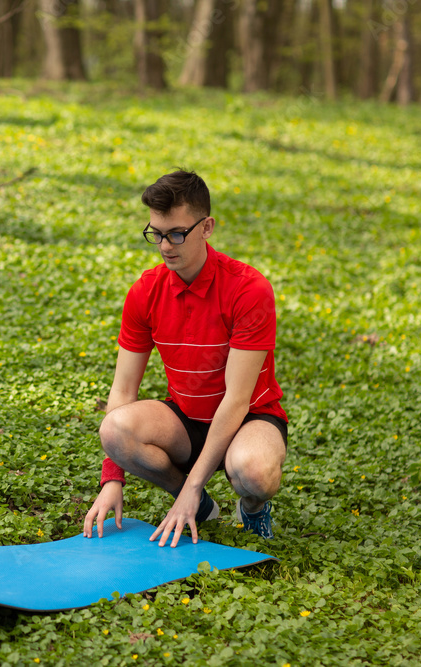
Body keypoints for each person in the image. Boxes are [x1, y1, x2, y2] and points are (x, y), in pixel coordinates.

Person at [82, 170, 288, 547]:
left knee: (255, 473)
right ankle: (199, 502)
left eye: (177, 233)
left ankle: (252, 508)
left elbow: (237, 399)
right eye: (156, 233)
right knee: (114, 430)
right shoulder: (145, 292)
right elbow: (123, 390)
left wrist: (193, 485)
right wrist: (112, 477)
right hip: (186, 418)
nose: (165, 246)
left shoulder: (248, 290)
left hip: (247, 416)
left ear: (206, 227)